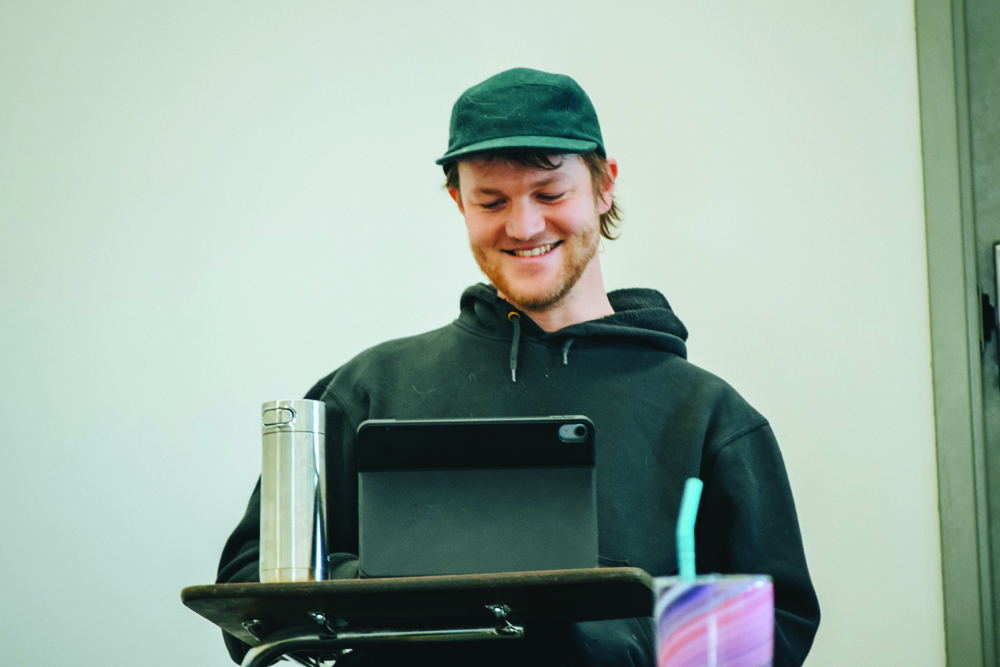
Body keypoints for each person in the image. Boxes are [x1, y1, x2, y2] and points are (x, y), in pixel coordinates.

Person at [217, 67, 820, 666]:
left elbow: (776, 628)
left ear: (605, 186)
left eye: (550, 194)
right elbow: (254, 587)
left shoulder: (709, 418)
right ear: (458, 201)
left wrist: (613, 636)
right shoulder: (369, 390)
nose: (524, 225)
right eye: (491, 200)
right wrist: (391, 593)